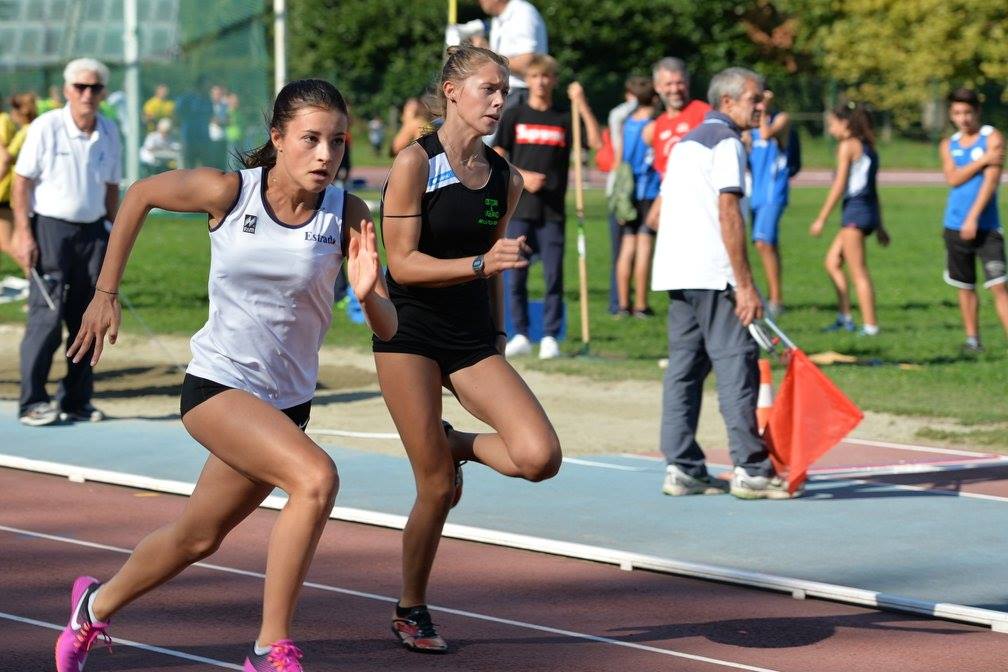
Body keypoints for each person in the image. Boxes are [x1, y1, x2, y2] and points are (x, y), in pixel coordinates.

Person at [55, 78, 397, 672]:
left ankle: (93, 605)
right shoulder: (230, 192)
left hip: (285, 405)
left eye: (338, 142)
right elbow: (140, 194)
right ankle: (269, 648)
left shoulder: (348, 212)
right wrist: (105, 291)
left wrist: (368, 294)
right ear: (278, 138)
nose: (326, 154)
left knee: (197, 537)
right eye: (311, 139)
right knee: (316, 478)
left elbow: (388, 328)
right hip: (218, 385)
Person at [374, 44, 561, 653]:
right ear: (452, 92)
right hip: (408, 331)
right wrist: (478, 265)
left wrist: (498, 334)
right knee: (435, 487)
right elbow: (402, 265)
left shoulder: (506, 177)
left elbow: (498, 264)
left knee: (539, 456)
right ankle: (411, 608)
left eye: (504, 91)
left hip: (472, 335)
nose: (500, 101)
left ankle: (455, 444)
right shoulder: (415, 163)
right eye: (489, 89)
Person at [651, 67, 793, 500]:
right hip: (714, 274)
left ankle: (682, 467)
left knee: (685, 370)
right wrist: (744, 284)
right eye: (755, 98)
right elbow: (728, 212)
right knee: (737, 366)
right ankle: (751, 468)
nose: (762, 105)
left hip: (677, 271)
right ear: (727, 102)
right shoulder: (727, 141)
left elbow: (660, 213)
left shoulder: (687, 142)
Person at [10, 58, 122, 427]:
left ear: (103, 92)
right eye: (80, 87)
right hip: (50, 229)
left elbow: (111, 188)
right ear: (67, 90)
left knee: (88, 318)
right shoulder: (46, 127)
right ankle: (32, 401)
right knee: (46, 316)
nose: (87, 94)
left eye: (95, 87)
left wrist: (112, 234)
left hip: (93, 233)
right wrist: (24, 233)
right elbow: (21, 183)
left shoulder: (109, 130)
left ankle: (76, 399)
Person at [493, 53, 601, 358]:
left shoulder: (564, 117)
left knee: (554, 275)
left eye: (546, 77)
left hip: (553, 211)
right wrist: (523, 176)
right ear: (527, 80)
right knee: (516, 274)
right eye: (535, 77)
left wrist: (582, 104)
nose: (540, 82)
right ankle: (520, 334)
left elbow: (595, 142)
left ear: (553, 80)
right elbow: (496, 157)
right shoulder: (515, 115)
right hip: (519, 208)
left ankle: (551, 336)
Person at [810, 102, 890, 336]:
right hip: (865, 212)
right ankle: (844, 318)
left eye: (832, 124)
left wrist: (821, 218)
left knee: (858, 272)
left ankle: (871, 327)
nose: (830, 129)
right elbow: (873, 190)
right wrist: (880, 224)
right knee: (832, 262)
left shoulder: (847, 146)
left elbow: (839, 186)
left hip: (855, 213)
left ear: (844, 123)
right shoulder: (868, 147)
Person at [939, 88, 1008, 352]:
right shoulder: (949, 144)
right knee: (965, 286)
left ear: (977, 111)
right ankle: (972, 340)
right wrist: (982, 161)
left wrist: (973, 217)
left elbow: (991, 182)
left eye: (967, 112)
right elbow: (952, 178)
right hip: (954, 225)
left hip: (987, 227)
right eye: (957, 113)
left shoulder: (992, 138)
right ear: (951, 115)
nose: (963, 118)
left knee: (999, 285)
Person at [643, 57, 711, 229]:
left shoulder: (704, 113)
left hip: (700, 201)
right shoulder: (657, 126)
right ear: (657, 87)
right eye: (668, 84)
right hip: (671, 199)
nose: (675, 89)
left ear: (687, 83)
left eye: (679, 83)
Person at [614, 76, 659, 318]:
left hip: (627, 191)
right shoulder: (653, 125)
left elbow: (620, 159)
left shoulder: (627, 123)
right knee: (644, 247)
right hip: (648, 190)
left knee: (626, 247)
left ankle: (623, 304)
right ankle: (641, 305)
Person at [747, 89, 791, 317]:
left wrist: (764, 110)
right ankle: (769, 294)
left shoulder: (780, 119)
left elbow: (766, 134)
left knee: (764, 242)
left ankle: (775, 299)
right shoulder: (748, 126)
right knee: (765, 243)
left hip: (774, 191)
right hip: (755, 192)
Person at [604, 79, 640, 314]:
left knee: (638, 249)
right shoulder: (621, 118)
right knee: (621, 249)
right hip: (620, 190)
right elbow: (617, 115)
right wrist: (640, 101)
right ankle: (618, 302)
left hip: (642, 189)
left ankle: (636, 300)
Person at [0, 92, 37, 264]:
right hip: (17, 188)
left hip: (13, 188)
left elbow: (6, 157)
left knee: (8, 241)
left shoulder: (24, 130)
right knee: (14, 239)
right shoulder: (32, 128)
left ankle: (32, 273)